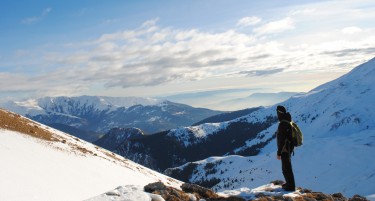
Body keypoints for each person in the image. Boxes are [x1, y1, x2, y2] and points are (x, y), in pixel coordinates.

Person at [276, 105, 295, 191]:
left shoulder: (283, 124)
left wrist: (279, 152)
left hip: (285, 148)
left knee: (286, 168)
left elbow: (281, 140)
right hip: (289, 147)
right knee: (287, 167)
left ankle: (290, 186)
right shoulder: (287, 120)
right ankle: (289, 184)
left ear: (279, 113)